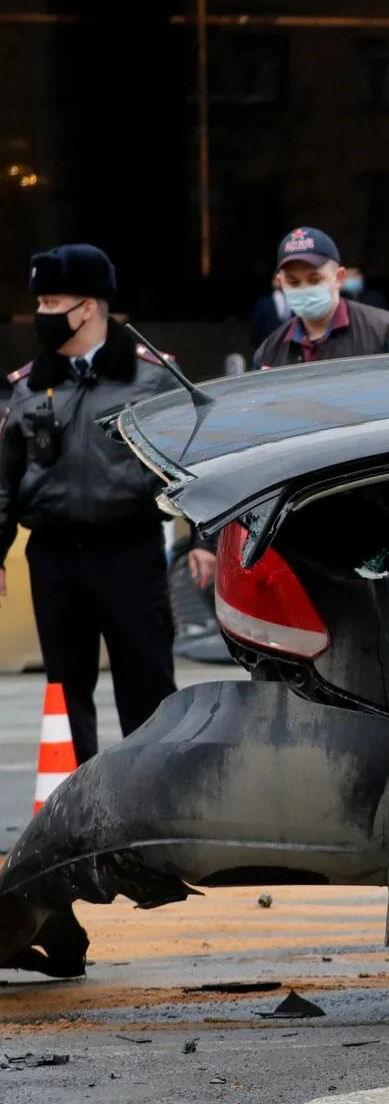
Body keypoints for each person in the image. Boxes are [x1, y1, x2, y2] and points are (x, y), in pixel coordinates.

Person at [0, 244, 202, 978]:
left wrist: (203, 540)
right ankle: (75, 831)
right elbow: (7, 474)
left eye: (51, 306)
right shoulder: (29, 384)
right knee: (65, 696)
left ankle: (157, 825)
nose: (41, 318)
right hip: (53, 556)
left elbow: (195, 461)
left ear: (88, 306)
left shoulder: (151, 377)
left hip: (128, 551)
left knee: (148, 690)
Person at [252, 227, 389, 368]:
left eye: (315, 280)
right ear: (281, 283)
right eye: (294, 282)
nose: (304, 289)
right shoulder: (269, 352)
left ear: (339, 278)